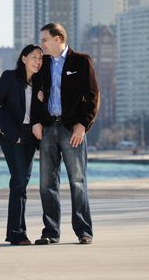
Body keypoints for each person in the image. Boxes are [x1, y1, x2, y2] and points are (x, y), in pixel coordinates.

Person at [31, 22, 100, 245]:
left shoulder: (81, 61)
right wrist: (37, 121)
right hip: (48, 128)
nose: (41, 44)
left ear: (58, 39)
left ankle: (84, 231)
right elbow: (35, 96)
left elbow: (93, 96)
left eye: (45, 40)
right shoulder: (42, 65)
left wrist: (83, 125)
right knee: (46, 183)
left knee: (78, 181)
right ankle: (51, 232)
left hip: (72, 130)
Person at [0, 44, 43, 245]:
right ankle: (18, 233)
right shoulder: (9, 77)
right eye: (34, 57)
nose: (37, 61)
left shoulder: (39, 83)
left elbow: (41, 111)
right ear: (23, 58)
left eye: (40, 58)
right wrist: (11, 132)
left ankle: (14, 233)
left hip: (31, 136)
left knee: (22, 182)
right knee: (19, 181)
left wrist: (41, 100)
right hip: (12, 137)